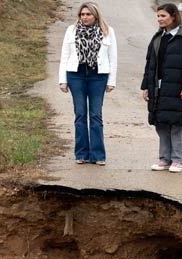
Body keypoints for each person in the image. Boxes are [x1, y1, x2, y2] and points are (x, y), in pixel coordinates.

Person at [140, 3, 182, 173]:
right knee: (161, 123)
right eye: (158, 16)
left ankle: (178, 160)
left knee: (177, 123)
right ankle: (164, 158)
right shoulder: (158, 37)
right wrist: (146, 86)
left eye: (163, 16)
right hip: (159, 88)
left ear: (173, 16)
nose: (159, 19)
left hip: (179, 87)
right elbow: (149, 63)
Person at [59, 2, 117, 166]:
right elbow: (65, 55)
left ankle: (98, 155)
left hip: (98, 76)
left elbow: (113, 58)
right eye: (82, 14)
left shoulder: (107, 31)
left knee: (96, 115)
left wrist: (111, 81)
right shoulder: (71, 30)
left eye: (88, 14)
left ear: (95, 15)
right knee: (80, 114)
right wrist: (62, 80)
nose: (84, 17)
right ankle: (81, 153)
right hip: (75, 74)